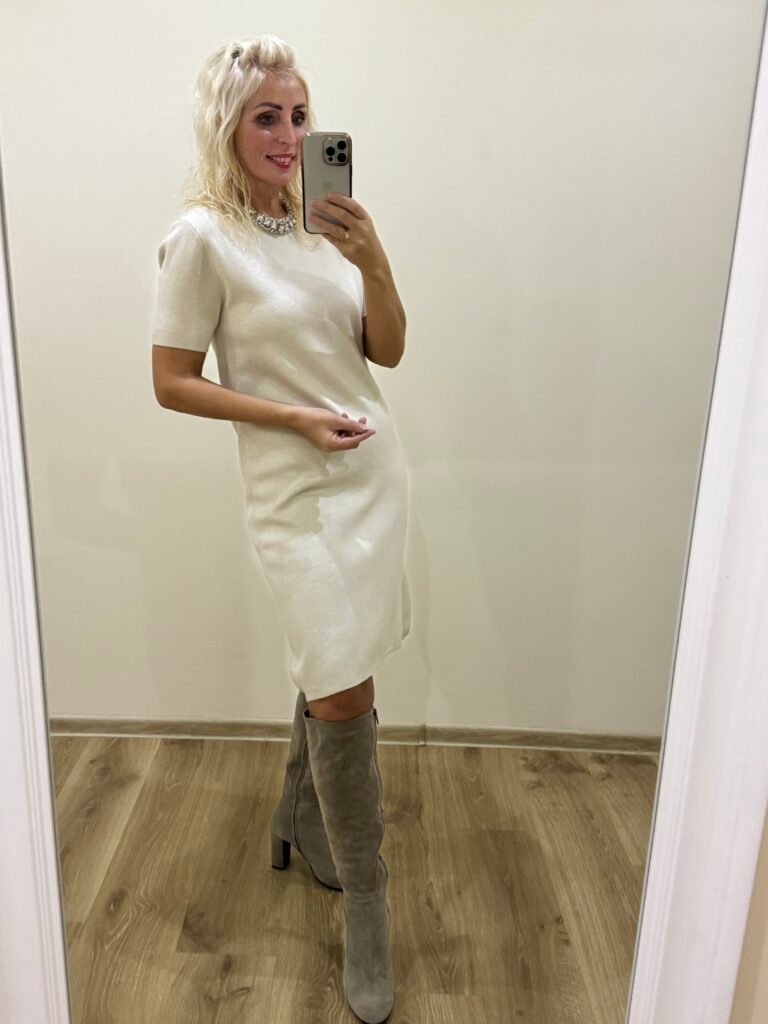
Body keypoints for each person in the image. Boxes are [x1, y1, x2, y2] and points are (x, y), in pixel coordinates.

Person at [150, 34, 411, 1024]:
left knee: (335, 661)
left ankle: (300, 817)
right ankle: (369, 903)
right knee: (342, 680)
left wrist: (373, 260)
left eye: (301, 116)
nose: (290, 135)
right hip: (292, 491)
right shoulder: (200, 240)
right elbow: (172, 382)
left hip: (372, 474)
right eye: (268, 116)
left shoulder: (324, 231)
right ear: (227, 123)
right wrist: (291, 417)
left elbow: (387, 351)